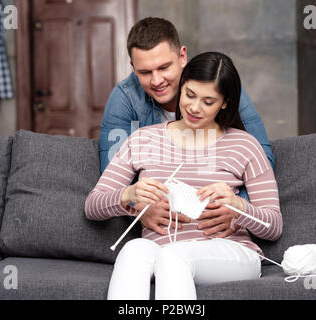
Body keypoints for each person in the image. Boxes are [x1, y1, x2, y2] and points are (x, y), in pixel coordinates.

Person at [85, 52, 282, 300]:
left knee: (173, 255)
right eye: (189, 95)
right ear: (182, 87)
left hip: (231, 252)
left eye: (208, 101)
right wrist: (128, 195)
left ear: (224, 102)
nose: (195, 108)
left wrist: (239, 207)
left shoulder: (244, 145)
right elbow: (92, 206)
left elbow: (273, 226)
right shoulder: (143, 139)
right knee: (133, 249)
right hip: (160, 250)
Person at [100, 17, 275, 239]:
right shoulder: (124, 99)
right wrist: (139, 208)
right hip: (161, 230)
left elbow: (262, 159)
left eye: (164, 67)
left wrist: (235, 211)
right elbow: (112, 177)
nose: (157, 81)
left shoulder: (219, 87)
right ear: (133, 68)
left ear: (182, 56)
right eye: (145, 72)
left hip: (218, 236)